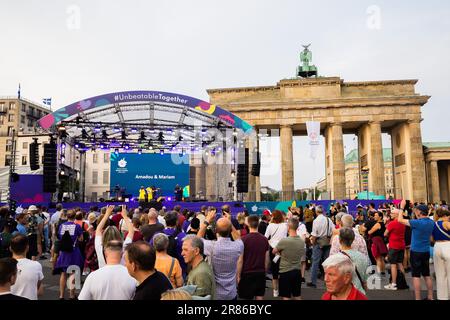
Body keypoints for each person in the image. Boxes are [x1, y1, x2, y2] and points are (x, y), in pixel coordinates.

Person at [197, 209, 243, 300]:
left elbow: (198, 239)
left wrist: (207, 221)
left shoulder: (211, 246)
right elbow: (238, 238)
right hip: (231, 293)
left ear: (216, 231)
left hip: (216, 294)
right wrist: (229, 222)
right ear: (230, 230)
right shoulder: (238, 246)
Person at [397, 200, 435, 300]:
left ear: (419, 212)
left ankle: (418, 298)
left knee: (416, 276)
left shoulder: (416, 222)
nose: (414, 212)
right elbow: (431, 238)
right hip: (425, 251)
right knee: (427, 275)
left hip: (416, 252)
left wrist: (401, 207)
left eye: (416, 211)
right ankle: (430, 296)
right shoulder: (431, 222)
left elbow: (399, 220)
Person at [54, 210, 85, 300]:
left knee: (63, 274)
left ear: (66, 216)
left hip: (63, 252)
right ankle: (71, 295)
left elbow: (59, 237)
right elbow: (81, 239)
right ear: (74, 217)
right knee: (72, 273)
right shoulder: (77, 226)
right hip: (74, 251)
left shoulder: (61, 226)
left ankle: (61, 295)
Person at [237, 215, 270, 300]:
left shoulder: (244, 240)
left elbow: (240, 260)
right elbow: (267, 259)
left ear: (248, 224)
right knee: (260, 297)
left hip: (247, 273)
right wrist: (265, 272)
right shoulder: (264, 239)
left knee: (247, 297)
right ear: (258, 224)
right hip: (260, 272)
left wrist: (238, 275)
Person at [273, 217, 305, 300]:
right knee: (297, 295)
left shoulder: (284, 241)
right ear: (297, 227)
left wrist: (280, 252)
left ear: (288, 227)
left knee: (286, 296)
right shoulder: (301, 241)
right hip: (297, 271)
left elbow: (274, 251)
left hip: (285, 272)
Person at [9, 234, 44, 300]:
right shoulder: (36, 265)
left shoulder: (3, 265)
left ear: (10, 248)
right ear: (27, 248)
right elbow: (39, 288)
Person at [307, 206, 335, 288]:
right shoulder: (328, 219)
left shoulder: (316, 221)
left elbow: (314, 234)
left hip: (318, 243)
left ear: (316, 212)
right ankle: (328, 281)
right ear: (322, 211)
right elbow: (333, 230)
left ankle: (313, 282)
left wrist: (313, 243)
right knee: (327, 263)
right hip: (327, 242)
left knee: (315, 262)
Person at [338, 228, 369, 295]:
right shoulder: (363, 257)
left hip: (342, 294)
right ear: (353, 240)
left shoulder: (336, 259)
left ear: (340, 240)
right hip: (359, 293)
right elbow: (365, 282)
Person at [264, 210, 288, 297]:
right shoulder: (285, 225)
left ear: (273, 217)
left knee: (274, 270)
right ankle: (283, 289)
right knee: (283, 269)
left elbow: (265, 238)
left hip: (273, 249)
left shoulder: (270, 226)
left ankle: (275, 291)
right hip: (283, 249)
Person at [384, 208, 407, 290]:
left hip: (394, 245)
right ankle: (403, 282)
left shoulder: (392, 223)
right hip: (401, 245)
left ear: (397, 214)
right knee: (400, 264)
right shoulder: (403, 223)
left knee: (393, 265)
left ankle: (393, 283)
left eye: (393, 213)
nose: (391, 214)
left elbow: (385, 233)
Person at [431, 208, 450, 300]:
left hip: (437, 246)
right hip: (447, 246)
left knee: (440, 274)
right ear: (445, 216)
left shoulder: (433, 224)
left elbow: (431, 239)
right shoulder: (446, 223)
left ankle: (442, 297)